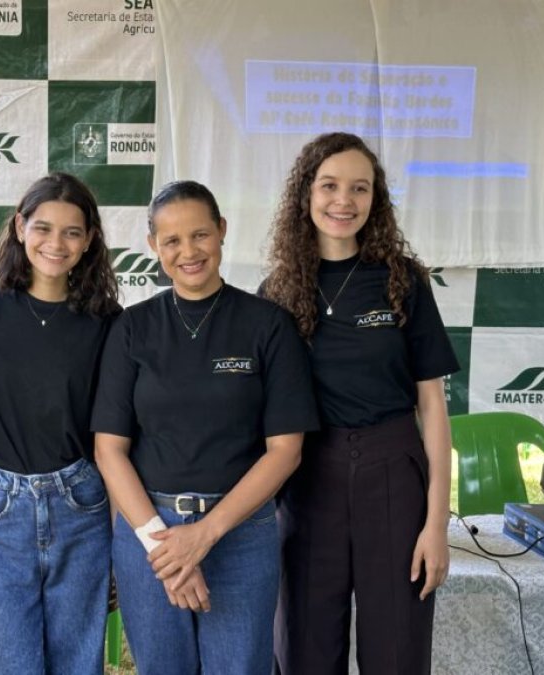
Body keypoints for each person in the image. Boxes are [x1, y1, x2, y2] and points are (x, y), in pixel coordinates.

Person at [91, 180, 319, 674]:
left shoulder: (267, 325)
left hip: (240, 534)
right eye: (171, 241)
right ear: (153, 246)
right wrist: (165, 547)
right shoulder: (131, 328)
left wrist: (205, 535)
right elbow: (109, 449)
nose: (188, 252)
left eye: (200, 235)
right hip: (150, 535)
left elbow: (286, 450)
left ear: (221, 232)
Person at [261, 132, 459, 675]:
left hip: (393, 473)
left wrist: (436, 524)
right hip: (306, 483)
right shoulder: (275, 293)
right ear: (306, 194)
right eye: (329, 186)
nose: (343, 201)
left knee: (396, 650)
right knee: (303, 648)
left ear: (376, 200)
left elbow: (434, 408)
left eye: (359, 188)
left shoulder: (402, 282)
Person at [0, 172, 121, 674]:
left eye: (72, 232)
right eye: (43, 228)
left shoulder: (106, 321)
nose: (56, 243)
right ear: (19, 227)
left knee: (77, 661)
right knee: (5, 661)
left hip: (81, 504)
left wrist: (121, 535)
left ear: (90, 239)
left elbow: (114, 438)